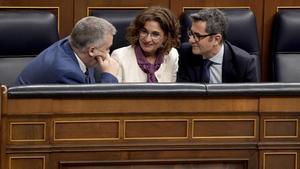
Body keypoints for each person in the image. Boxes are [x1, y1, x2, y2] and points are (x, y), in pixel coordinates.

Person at [15, 16, 119, 85]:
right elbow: (93, 108)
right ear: (92, 51)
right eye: (107, 48)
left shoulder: (73, 43)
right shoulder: (67, 73)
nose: (108, 53)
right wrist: (109, 76)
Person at [176, 8, 258, 83]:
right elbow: (183, 93)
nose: (191, 40)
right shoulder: (185, 52)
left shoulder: (244, 63)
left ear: (216, 39)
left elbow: (251, 98)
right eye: (191, 33)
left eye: (197, 36)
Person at [111, 6, 180, 82]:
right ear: (138, 31)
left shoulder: (172, 55)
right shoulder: (119, 56)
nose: (147, 39)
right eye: (144, 32)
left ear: (166, 37)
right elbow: (115, 92)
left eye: (155, 34)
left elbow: (171, 92)